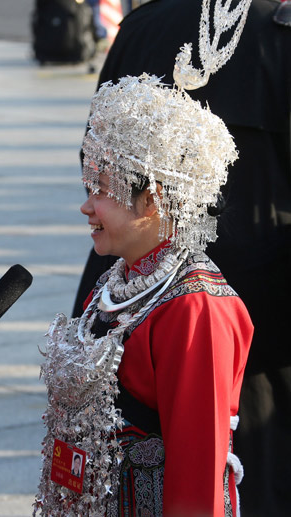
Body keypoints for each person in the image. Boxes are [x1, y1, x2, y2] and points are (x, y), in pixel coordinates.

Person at [70, 1, 290, 513]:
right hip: (256, 298)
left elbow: (97, 158)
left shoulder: (144, 22)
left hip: (143, 283)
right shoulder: (279, 30)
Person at [34, 49, 253, 517]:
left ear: (151, 201)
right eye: (87, 188)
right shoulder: (119, 279)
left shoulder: (196, 310)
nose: (87, 207)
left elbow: (198, 475)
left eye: (102, 192)